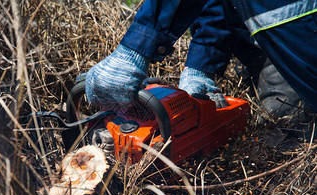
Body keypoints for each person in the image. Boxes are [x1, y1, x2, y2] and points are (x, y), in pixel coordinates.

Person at [85, 0, 317, 123]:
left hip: (301, 35)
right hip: (282, 32)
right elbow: (222, 3)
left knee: (286, 123)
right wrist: (199, 67)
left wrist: (134, 51)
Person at [177, 0, 310, 124]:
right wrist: (199, 67)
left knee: (283, 117)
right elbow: (219, 7)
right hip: (264, 40)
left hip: (294, 41)